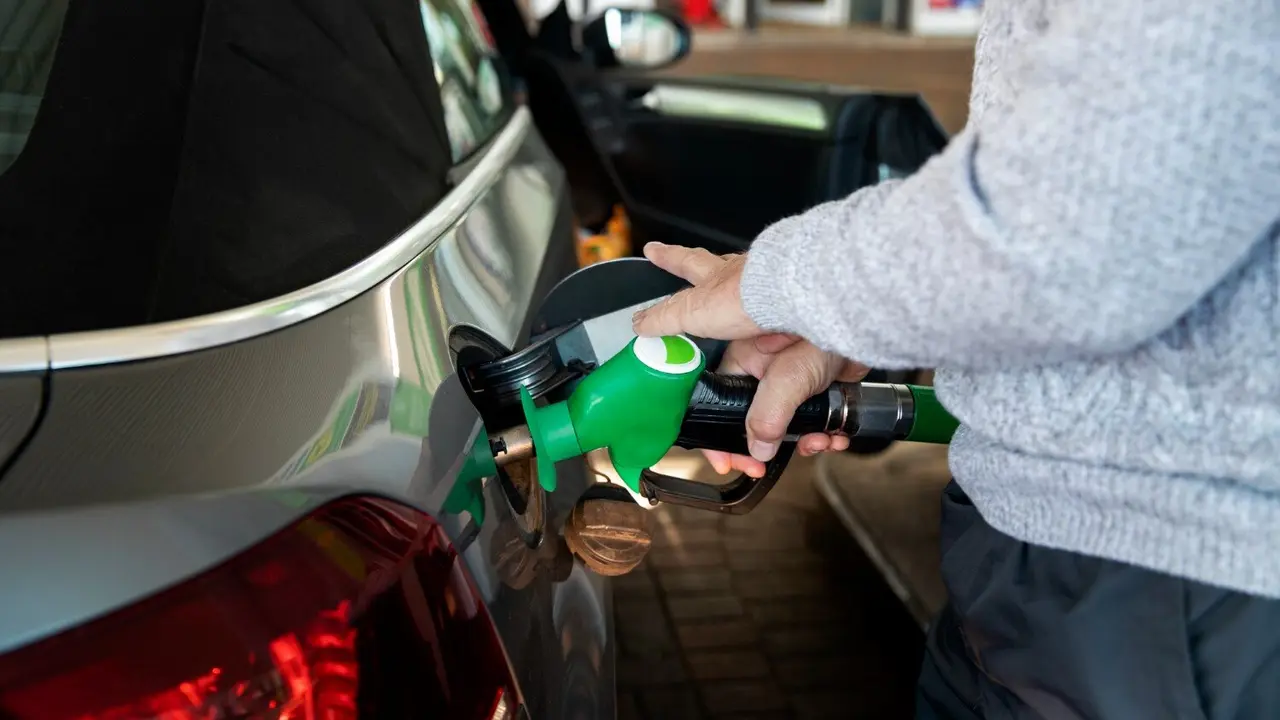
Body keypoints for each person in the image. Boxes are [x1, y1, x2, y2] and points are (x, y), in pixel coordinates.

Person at [631, 1, 1280, 717]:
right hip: (1058, 558)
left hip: (1177, 577)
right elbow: (1056, 162)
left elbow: (1075, 231)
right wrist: (849, 320)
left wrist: (781, 284)